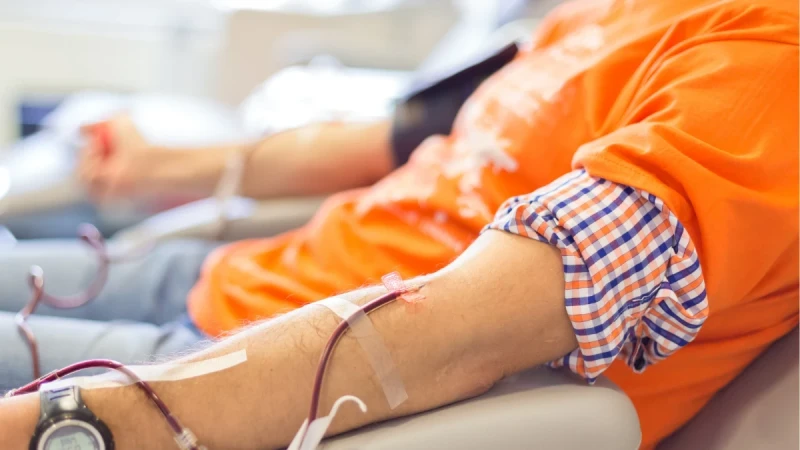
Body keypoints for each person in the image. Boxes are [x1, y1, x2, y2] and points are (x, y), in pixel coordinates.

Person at [1, 0, 797, 448]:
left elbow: (455, 337)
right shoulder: (616, 14)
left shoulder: (770, 72)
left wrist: (74, 424)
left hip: (250, 373)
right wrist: (161, 168)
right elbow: (392, 143)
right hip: (243, 273)